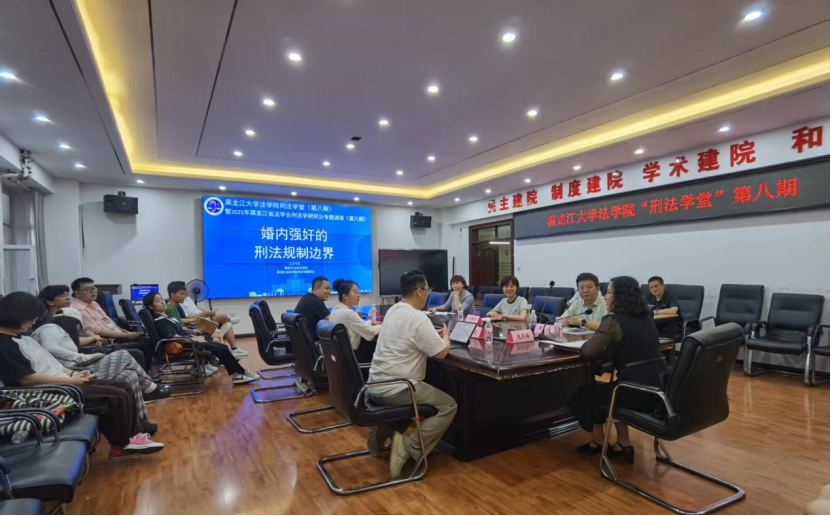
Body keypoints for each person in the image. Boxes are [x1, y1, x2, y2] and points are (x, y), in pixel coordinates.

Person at [0, 292, 164, 458]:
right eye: (31, 317)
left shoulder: (21, 337)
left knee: (123, 386)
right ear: (17, 315)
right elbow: (26, 378)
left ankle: (134, 436)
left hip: (63, 381)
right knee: (115, 395)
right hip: (50, 389)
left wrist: (74, 373)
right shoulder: (4, 343)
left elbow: (52, 364)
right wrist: (71, 380)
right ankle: (121, 444)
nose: (34, 321)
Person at [367, 270, 457, 481]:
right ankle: (409, 446)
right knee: (449, 405)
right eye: (427, 290)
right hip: (398, 388)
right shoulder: (418, 317)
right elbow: (441, 353)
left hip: (373, 386)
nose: (427, 293)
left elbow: (409, 337)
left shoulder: (393, 310)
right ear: (418, 291)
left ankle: (385, 427)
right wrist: (445, 337)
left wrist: (431, 336)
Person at [567, 277, 666, 464]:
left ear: (620, 296)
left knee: (583, 395)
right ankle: (623, 444)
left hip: (633, 391)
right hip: (658, 390)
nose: (605, 297)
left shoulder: (613, 320)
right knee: (611, 388)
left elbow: (588, 351)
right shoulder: (646, 318)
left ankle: (598, 443)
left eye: (609, 292)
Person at [33, 307, 172, 412]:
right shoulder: (51, 327)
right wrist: (85, 357)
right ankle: (150, 388)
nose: (78, 329)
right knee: (124, 355)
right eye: (78, 325)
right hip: (75, 372)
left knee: (129, 374)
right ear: (71, 322)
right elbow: (49, 347)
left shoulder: (58, 331)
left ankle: (141, 422)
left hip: (77, 369)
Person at [143, 292, 258, 385]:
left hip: (189, 340)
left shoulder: (167, 316)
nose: (162, 302)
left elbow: (180, 330)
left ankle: (237, 371)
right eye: (157, 301)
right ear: (151, 306)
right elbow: (174, 337)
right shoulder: (160, 320)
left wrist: (194, 334)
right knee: (222, 348)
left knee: (219, 345)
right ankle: (238, 374)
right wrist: (195, 339)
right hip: (186, 345)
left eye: (161, 299)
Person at [70, 277, 153, 367]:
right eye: (87, 289)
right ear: (77, 293)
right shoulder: (78, 309)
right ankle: (141, 372)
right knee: (140, 346)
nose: (93, 291)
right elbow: (97, 331)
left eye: (93, 288)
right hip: (107, 341)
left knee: (146, 341)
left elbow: (108, 322)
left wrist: (126, 333)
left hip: (115, 336)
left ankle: (143, 372)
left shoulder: (93, 304)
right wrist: (127, 335)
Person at [166, 281, 247, 358]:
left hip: (197, 321)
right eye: (182, 292)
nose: (186, 292)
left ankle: (233, 349)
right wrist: (199, 317)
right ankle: (220, 356)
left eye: (185, 291)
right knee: (221, 319)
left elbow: (194, 310)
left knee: (227, 325)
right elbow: (182, 322)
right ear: (173, 294)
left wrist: (205, 312)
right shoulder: (175, 306)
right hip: (195, 324)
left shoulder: (184, 301)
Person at [329, 279, 381, 363]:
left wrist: (371, 322)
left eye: (358, 292)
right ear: (345, 296)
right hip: (353, 357)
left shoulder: (336, 309)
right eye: (355, 292)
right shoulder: (348, 313)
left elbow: (355, 325)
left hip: (342, 357)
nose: (358, 295)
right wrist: (383, 325)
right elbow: (370, 331)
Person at [294, 276, 331, 341]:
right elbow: (331, 320)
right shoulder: (316, 301)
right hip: (313, 342)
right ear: (316, 289)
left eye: (329, 289)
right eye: (326, 288)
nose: (329, 291)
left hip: (299, 341)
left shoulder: (307, 297)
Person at [647, 276, 683, 341]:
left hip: (671, 325)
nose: (654, 289)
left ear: (663, 286)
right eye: (651, 287)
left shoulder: (671, 296)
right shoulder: (648, 297)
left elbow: (673, 311)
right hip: (656, 324)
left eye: (656, 286)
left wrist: (655, 312)